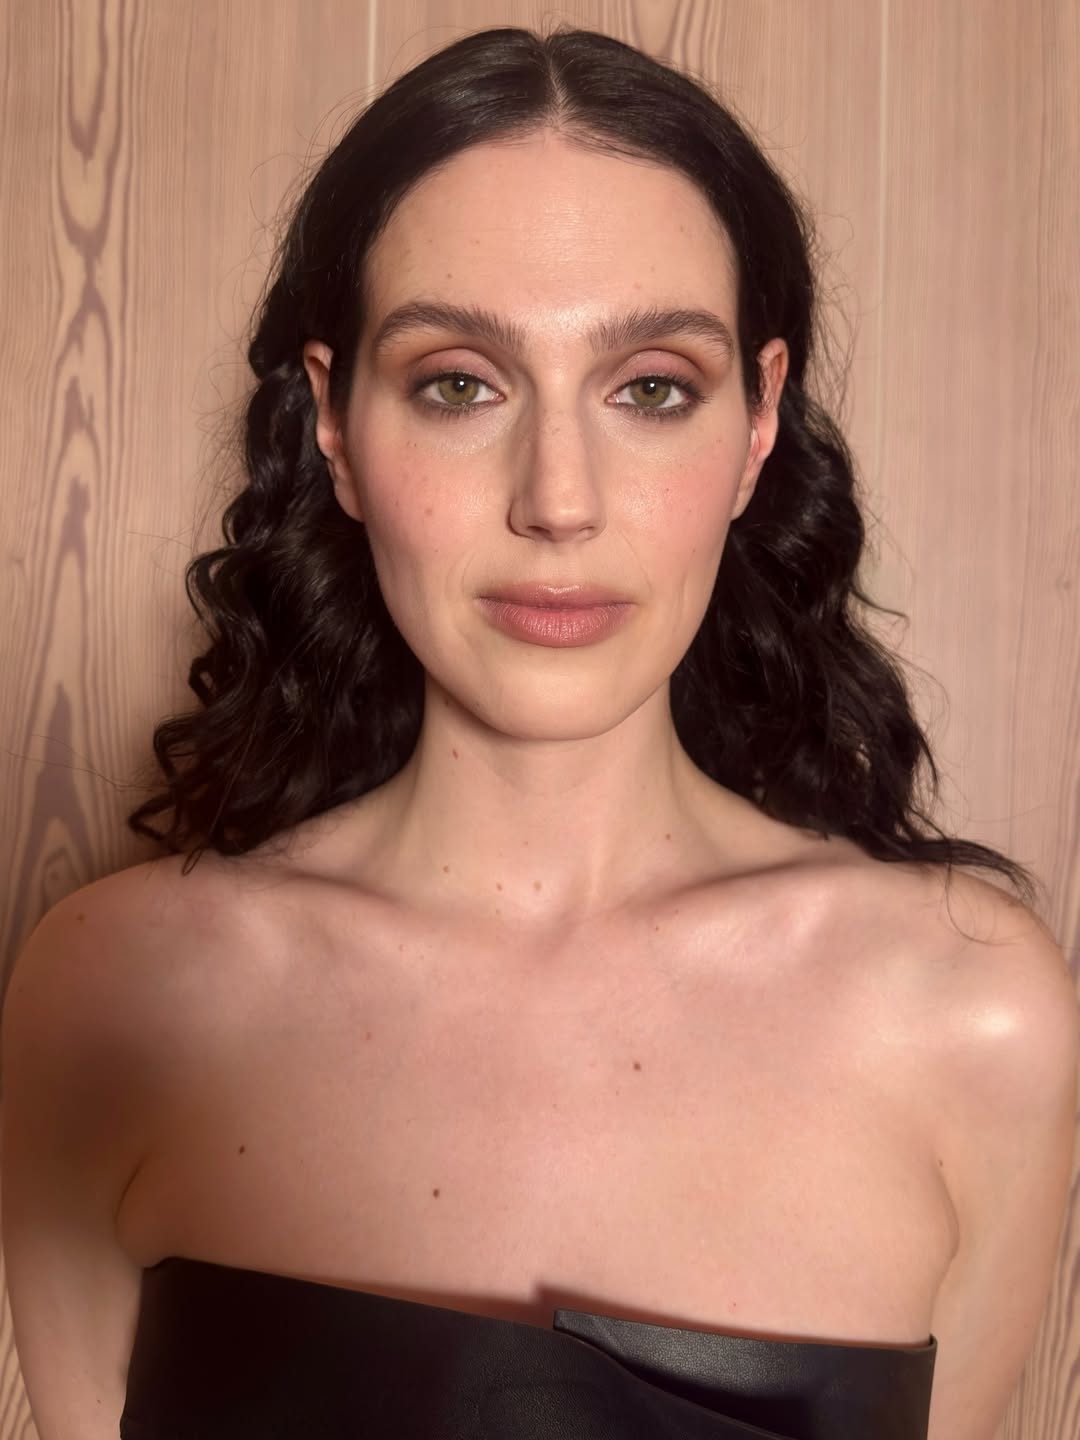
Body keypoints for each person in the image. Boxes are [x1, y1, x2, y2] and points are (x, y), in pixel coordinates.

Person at [2, 23, 1076, 1440]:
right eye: (459, 383)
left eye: (651, 388)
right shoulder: (114, 1000)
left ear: (759, 425)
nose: (558, 500)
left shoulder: (973, 1018)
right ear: (333, 425)